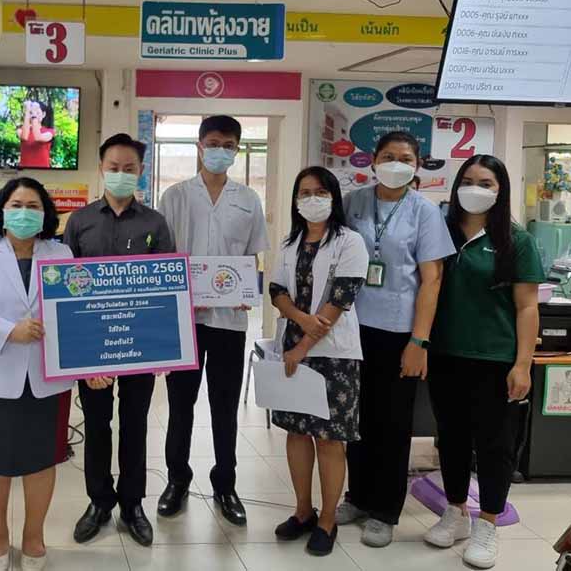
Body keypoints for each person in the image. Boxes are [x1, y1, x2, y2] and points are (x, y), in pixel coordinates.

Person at [336, 131, 456, 547]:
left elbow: (432, 279)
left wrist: (419, 342)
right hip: (351, 328)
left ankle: (385, 510)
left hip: (398, 331)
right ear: (373, 161)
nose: (396, 164)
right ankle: (358, 496)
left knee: (392, 423)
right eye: (388, 156)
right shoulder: (353, 202)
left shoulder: (425, 212)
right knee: (355, 418)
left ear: (417, 165)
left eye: (405, 158)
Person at [423, 155, 543, 569]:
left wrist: (522, 364)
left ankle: (488, 523)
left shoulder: (515, 241)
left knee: (495, 445)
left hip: (496, 360)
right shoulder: (441, 233)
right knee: (451, 437)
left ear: (500, 190)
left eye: (486, 183)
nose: (475, 189)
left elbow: (527, 307)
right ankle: (455, 511)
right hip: (445, 355)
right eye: (468, 180)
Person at [0, 177, 73, 571]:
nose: (24, 213)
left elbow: (76, 313)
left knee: (42, 460)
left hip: (46, 375)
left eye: (33, 206)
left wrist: (89, 363)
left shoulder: (61, 253)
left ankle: (34, 536)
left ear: (46, 214)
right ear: (2, 211)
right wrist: (10, 331)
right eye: (17, 205)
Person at [63, 133, 175, 548]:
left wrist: (163, 347)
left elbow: (166, 288)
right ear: (101, 168)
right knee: (96, 425)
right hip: (92, 345)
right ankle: (98, 502)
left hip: (138, 344)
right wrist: (81, 356)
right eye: (114, 167)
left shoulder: (155, 223)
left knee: (134, 424)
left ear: (141, 171)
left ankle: (132, 505)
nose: (121, 174)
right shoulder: (79, 222)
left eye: (129, 168)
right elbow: (64, 291)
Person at [156, 115, 268, 525]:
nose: (220, 150)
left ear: (236, 150)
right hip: (184, 320)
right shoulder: (174, 196)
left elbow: (253, 256)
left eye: (228, 145)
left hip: (229, 322)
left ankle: (225, 484)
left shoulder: (248, 199)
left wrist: (247, 291)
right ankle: (177, 480)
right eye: (213, 142)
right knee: (180, 404)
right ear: (200, 146)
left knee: (224, 405)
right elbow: (163, 255)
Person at [269, 167, 368, 557]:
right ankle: (302, 511)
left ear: (333, 198)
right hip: (294, 347)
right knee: (296, 434)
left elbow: (341, 298)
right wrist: (301, 320)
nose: (312, 199)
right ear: (296, 200)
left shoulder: (350, 241)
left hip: (334, 355)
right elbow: (276, 290)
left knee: (329, 439)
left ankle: (327, 519)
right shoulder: (290, 242)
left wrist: (304, 344)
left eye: (320, 192)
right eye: (305, 192)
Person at [17, 100, 54, 168]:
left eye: (37, 112)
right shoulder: (20, 129)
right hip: (25, 170)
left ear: (43, 114)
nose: (34, 114)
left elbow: (38, 137)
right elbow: (24, 137)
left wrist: (34, 113)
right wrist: (27, 111)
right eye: (31, 113)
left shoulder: (49, 131)